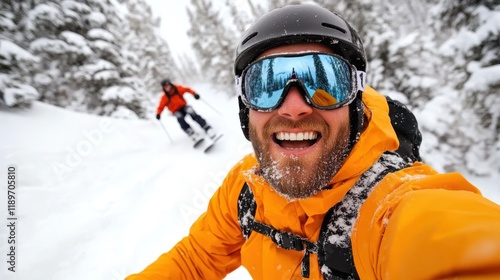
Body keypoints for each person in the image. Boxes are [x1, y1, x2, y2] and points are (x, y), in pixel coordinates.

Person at [128, 4, 500, 279]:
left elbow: (446, 240)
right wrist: (165, 111)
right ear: (246, 109)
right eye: (266, 83)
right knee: (186, 119)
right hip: (176, 112)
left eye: (324, 82)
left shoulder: (392, 207)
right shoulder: (244, 189)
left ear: (355, 100)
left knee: (189, 114)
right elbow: (195, 259)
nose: (293, 107)